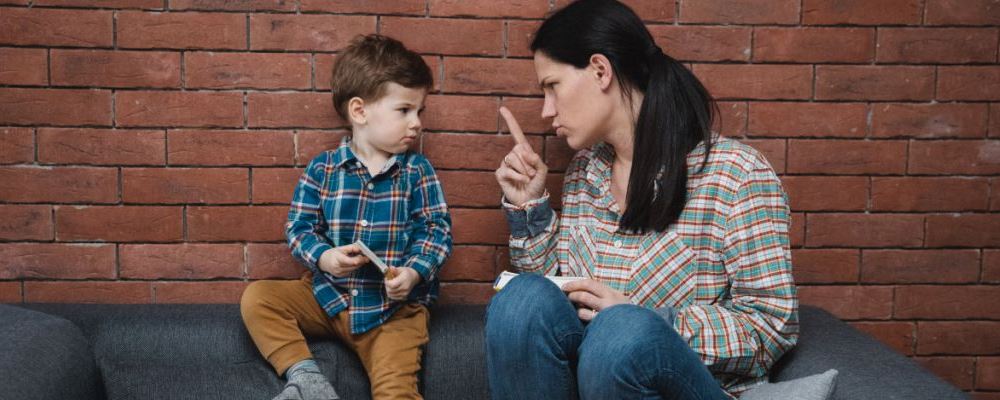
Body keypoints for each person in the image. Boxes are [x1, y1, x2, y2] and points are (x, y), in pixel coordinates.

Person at [486, 0, 798, 398]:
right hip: (591, 382)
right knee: (523, 300)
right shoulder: (585, 171)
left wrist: (648, 320)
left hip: (691, 386)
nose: (547, 111)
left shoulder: (736, 174)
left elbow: (769, 327)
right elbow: (557, 300)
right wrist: (530, 208)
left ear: (601, 71)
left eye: (552, 86)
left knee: (622, 333)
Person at [240, 34, 453, 400]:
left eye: (420, 111)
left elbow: (436, 230)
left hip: (392, 312)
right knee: (259, 298)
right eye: (404, 110)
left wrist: (414, 272)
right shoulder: (324, 169)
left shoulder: (417, 171)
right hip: (329, 297)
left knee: (397, 389)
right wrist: (325, 256)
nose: (416, 122)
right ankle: (308, 380)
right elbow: (299, 226)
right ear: (360, 111)